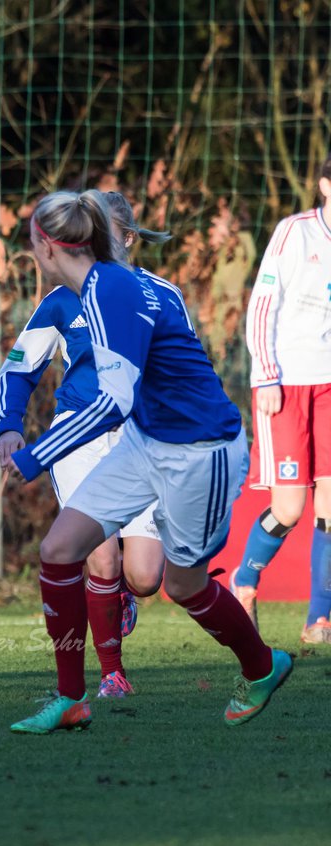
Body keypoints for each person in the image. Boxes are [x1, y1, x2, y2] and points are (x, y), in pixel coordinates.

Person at [0, 189, 291, 734]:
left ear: (44, 246)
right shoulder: (96, 288)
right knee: (61, 550)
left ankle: (262, 664)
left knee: (180, 585)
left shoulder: (111, 290)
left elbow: (114, 401)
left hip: (199, 450)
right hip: (147, 440)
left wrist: (37, 455)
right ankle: (71, 698)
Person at [0, 192, 169, 700]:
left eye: (105, 237)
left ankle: (119, 600)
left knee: (145, 575)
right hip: (77, 438)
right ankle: (112, 672)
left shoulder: (159, 295)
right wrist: (7, 424)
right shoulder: (62, 301)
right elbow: (18, 369)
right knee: (102, 559)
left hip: (139, 441)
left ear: (129, 239)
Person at [229, 158, 331, 644]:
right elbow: (262, 306)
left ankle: (319, 620)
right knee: (289, 507)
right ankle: (245, 582)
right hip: (287, 383)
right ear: (325, 186)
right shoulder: (295, 233)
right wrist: (265, 374)